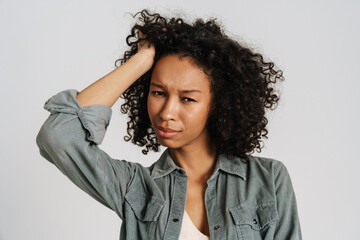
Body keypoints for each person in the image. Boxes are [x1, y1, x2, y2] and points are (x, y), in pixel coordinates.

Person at [36, 9, 302, 240]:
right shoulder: (135, 187)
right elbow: (59, 136)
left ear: (218, 104)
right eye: (158, 93)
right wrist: (140, 62)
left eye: (187, 99)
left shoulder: (268, 179)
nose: (166, 113)